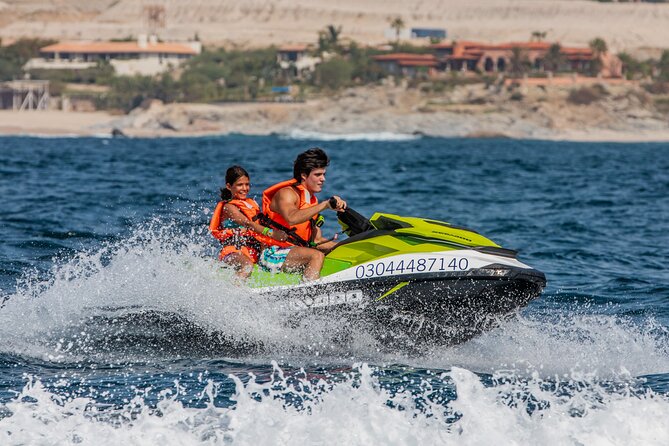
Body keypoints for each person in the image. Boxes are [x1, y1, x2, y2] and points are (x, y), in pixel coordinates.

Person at [209, 165, 324, 281]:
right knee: (247, 266)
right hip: (233, 251)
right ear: (229, 186)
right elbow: (248, 224)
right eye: (240, 185)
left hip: (253, 252)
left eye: (247, 184)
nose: (245, 188)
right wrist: (271, 233)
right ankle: (235, 295)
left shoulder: (251, 204)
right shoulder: (228, 207)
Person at [261, 148, 346, 266]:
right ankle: (312, 285)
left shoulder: (311, 202)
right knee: (316, 256)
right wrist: (325, 205)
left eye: (324, 174)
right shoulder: (286, 194)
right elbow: (292, 218)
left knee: (339, 250)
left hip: (295, 252)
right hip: (271, 252)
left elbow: (316, 241)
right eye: (318, 175)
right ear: (304, 176)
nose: (323, 179)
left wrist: (344, 247)